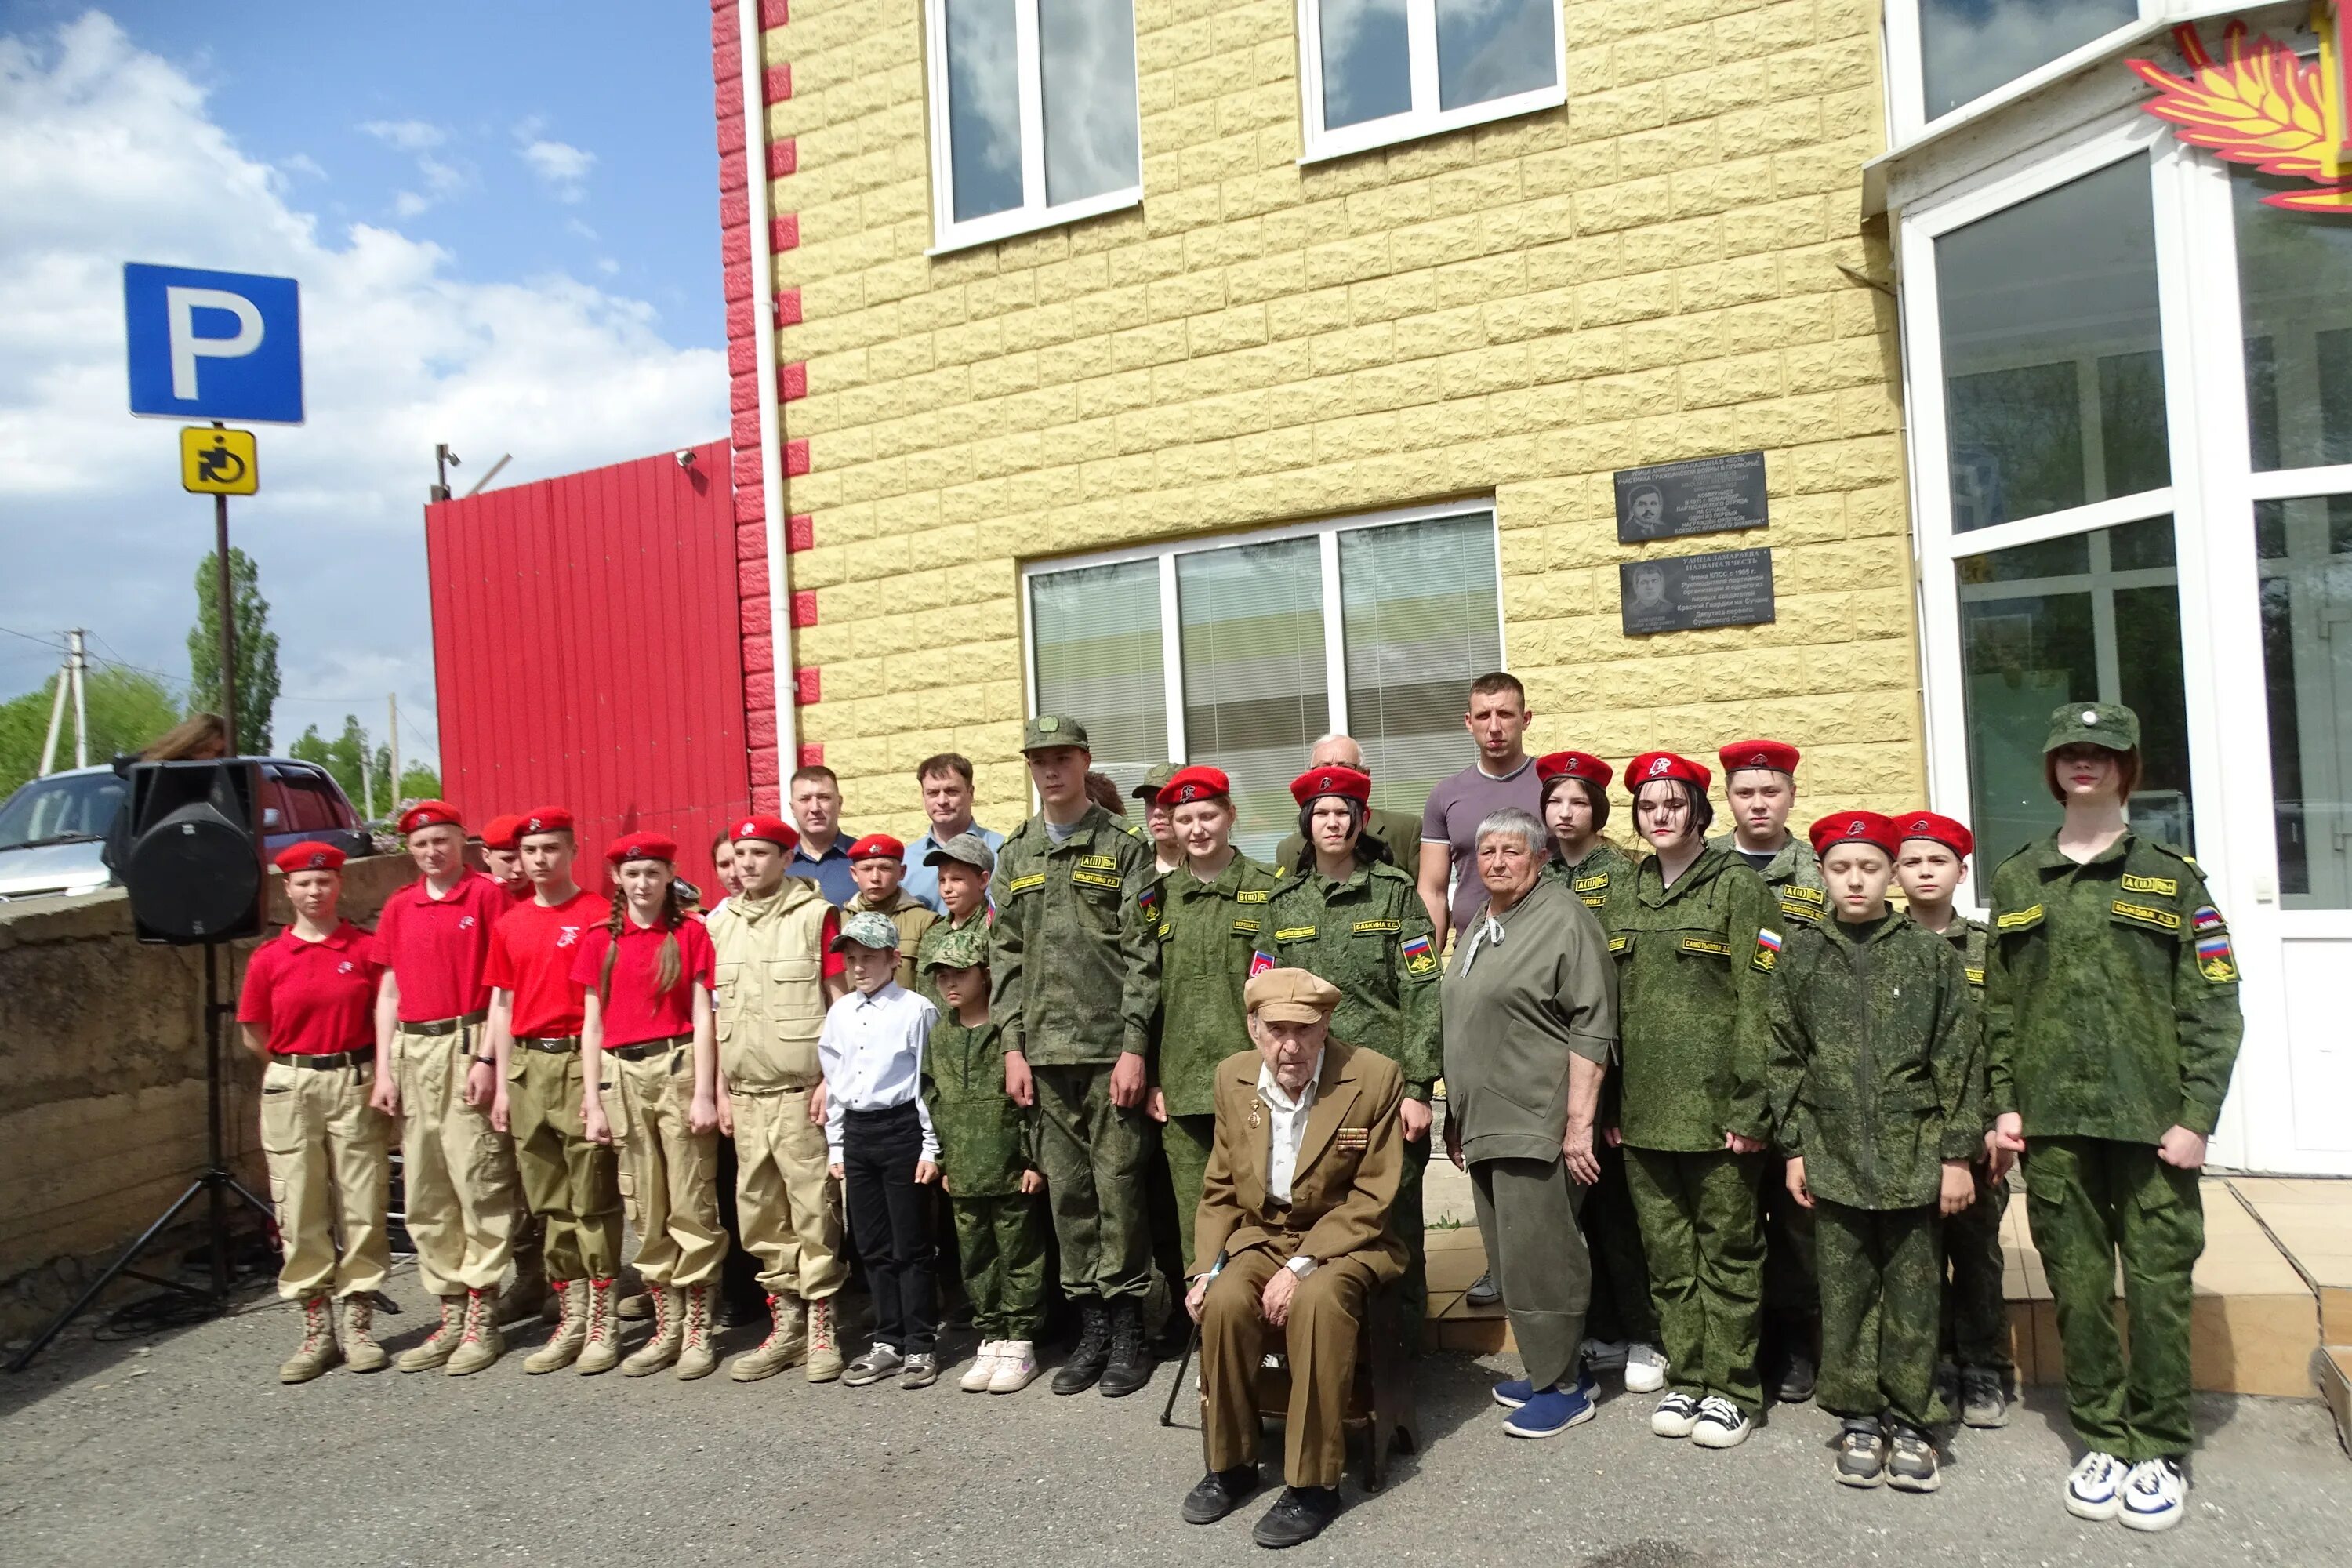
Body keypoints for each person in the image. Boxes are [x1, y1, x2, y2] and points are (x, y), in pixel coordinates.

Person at [1985, 703, 2243, 1534]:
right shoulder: (2021, 876)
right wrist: (2006, 1100)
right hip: (2056, 1123)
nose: (2084, 764)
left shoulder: (2173, 876)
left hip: (2152, 1123)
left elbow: (2213, 1001)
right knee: (2080, 1290)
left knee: (2161, 1289)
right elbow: (1999, 1007)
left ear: (2126, 767)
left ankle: (2160, 1445)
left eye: (2102, 753)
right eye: (2070, 752)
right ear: (2054, 769)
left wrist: (2197, 1113)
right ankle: (2101, 1435)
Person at [1766, 811, 1981, 1493]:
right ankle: (1859, 1414)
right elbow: (1784, 1057)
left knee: (1916, 1295)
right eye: (1840, 868)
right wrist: (1795, 1148)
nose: (1854, 881)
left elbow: (1960, 1060)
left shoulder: (1927, 955)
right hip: (1831, 1154)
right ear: (1821, 873)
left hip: (1913, 1156)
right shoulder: (1801, 954)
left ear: (1891, 873)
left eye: (1868, 867)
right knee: (1847, 1291)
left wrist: (1955, 1155)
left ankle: (1914, 1418)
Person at [1181, 968, 1408, 1550]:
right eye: (1276, 1030)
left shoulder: (1374, 1077)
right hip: (1262, 1234)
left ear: (1326, 1024)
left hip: (1348, 1239)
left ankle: (1313, 1483)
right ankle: (1230, 1464)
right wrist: (1205, 1271)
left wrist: (1300, 1266)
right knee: (1227, 1302)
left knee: (1317, 1302)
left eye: (1305, 1030)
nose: (1291, 1045)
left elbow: (1371, 1199)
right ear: (1253, 1029)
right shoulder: (1232, 1078)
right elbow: (1220, 1191)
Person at [1600, 751, 1775, 1449]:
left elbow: (1762, 1002)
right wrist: (1608, 1104)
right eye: (1647, 806)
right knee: (1667, 1257)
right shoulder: (1624, 889)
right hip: (1643, 1114)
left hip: (1717, 1113)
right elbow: (1606, 1010)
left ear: (1700, 810)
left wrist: (1751, 1105)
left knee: (1729, 1254)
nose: (1660, 815)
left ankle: (1734, 1388)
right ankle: (1689, 1377)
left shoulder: (1738, 887)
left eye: (1674, 803)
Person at [990, 714, 1162, 1397]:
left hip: (1106, 1051)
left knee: (1119, 1190)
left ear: (1085, 762)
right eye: (1039, 760)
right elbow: (1003, 956)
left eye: (1062, 758)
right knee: (1068, 1195)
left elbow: (1143, 955)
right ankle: (1089, 1326)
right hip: (1044, 1053)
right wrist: (1012, 1048)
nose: (1051, 770)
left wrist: (1134, 1048)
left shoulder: (1124, 844)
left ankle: (1129, 1332)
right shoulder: (1015, 853)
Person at [1441, 808, 1617, 1439]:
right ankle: (1550, 1367)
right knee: (1510, 1256)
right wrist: (1455, 1118)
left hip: (1534, 1120)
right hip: (1486, 1120)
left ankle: (1565, 1385)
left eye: (1511, 851)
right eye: (1486, 851)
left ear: (1540, 859)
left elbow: (1592, 1024)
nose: (1496, 861)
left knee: (1543, 1255)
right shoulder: (1483, 923)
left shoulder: (1562, 919)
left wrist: (1578, 1125)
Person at [1256, 764, 1441, 1347]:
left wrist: (1418, 1088)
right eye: (1322, 814)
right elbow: (1259, 994)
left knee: (1395, 1207)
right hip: (1303, 1083)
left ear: (1361, 822)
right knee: (1319, 1205)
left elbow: (1422, 988)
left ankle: (1403, 1342)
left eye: (1344, 813)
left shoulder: (1394, 892)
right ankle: (1334, 1336)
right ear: (1307, 824)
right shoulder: (1282, 901)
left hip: (1381, 1085)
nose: (1333, 822)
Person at [369, 800, 524, 1375]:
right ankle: (450, 1311)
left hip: (466, 1038)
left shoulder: (486, 896)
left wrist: (487, 1057)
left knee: (477, 1179)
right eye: (421, 843)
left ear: (462, 843)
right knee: (427, 1187)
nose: (432, 852)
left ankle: (484, 1315)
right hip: (414, 1047)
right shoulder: (399, 906)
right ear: (409, 850)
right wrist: (385, 1068)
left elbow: (501, 987)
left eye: (442, 840)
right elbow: (388, 989)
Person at [238, 842, 392, 1383]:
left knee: (362, 1202)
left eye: (324, 882)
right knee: (298, 1204)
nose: (315, 892)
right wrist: (297, 1067)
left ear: (338, 887)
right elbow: (255, 1032)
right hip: (293, 1082)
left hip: (354, 1077)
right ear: (288, 891)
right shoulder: (270, 959)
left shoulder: (365, 949)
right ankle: (315, 1328)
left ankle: (358, 1323)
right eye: (304, 883)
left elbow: (384, 1017)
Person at [705, 814, 851, 1383]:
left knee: (814, 1211)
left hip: (800, 1095)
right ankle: (785, 1324)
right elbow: (717, 1016)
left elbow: (840, 1006)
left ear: (786, 858)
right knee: (760, 1216)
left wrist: (830, 1082)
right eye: (740, 854)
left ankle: (821, 1327)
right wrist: (718, 1090)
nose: (747, 864)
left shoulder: (816, 916)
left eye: (760, 853)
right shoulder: (720, 926)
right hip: (745, 1096)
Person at [576, 833, 727, 1379]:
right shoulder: (599, 940)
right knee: (645, 1203)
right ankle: (666, 1326)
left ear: (669, 878)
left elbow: (704, 1013)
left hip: (679, 1068)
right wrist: (592, 1099)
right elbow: (591, 1024)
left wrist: (707, 1090)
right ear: (618, 879)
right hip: (622, 1073)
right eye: (632, 874)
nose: (642, 884)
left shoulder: (690, 934)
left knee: (691, 1199)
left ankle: (698, 1330)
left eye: (653, 874)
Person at [1537, 752, 1663, 1393]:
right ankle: (1601, 1327)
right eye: (1555, 802)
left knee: (1619, 1213)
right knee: (1574, 1215)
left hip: (1607, 1061)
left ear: (1598, 812)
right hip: (1549, 1066)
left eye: (1578, 802)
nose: (1565, 813)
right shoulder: (1535, 872)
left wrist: (1610, 1095)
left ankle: (1646, 1333)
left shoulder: (1624, 874)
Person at [483, 808, 626, 1374]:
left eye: (551, 849)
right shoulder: (509, 923)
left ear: (571, 850)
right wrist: (495, 1076)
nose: (540, 860)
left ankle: (603, 1321)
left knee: (591, 1195)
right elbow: (501, 1003)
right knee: (547, 1200)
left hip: (577, 1061)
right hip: (525, 1067)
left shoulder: (596, 916)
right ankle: (570, 1315)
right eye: (531, 851)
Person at [1711, 737, 1825, 1405]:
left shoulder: (1817, 871)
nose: (1758, 803)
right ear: (1728, 798)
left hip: (1803, 1063)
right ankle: (1741, 1342)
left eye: (1770, 791)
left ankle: (1794, 1338)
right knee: (1734, 1208)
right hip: (1727, 1064)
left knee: (1797, 1213)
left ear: (1790, 796)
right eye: (1746, 792)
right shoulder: (1707, 867)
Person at [1895, 809, 2012, 1429]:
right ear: (1895, 872)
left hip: (1979, 1135)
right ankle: (1934, 1359)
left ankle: (1983, 1364)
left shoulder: (1989, 950)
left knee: (1977, 1252)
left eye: (1936, 861)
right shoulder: (1880, 945)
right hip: (1905, 1135)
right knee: (1916, 1254)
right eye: (1911, 861)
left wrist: (2000, 1123)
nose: (1923, 871)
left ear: (1961, 872)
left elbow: (2005, 1041)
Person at [1147, 766, 1280, 1276]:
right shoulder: (1155, 900)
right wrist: (1153, 1078)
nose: (1197, 829)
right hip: (1179, 1085)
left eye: (1207, 815)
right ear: (1172, 826)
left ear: (1230, 816)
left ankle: (1263, 1327)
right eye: (1185, 819)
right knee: (1193, 1212)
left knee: (1262, 1204)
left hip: (1253, 1080)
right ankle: (1207, 1327)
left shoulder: (1270, 890)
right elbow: (1145, 991)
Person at [920, 925, 1047, 1394]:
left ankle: (1021, 1341)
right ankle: (991, 1334)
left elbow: (1031, 1102)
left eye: (960, 973)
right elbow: (931, 1100)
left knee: (1019, 1255)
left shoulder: (1007, 1033)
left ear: (986, 974)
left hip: (1010, 1169)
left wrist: (1034, 1161)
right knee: (975, 1256)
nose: (949, 983)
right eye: (941, 976)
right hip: (965, 1172)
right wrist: (945, 1161)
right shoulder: (939, 1036)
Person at [822, 911, 944, 1389]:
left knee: (910, 1242)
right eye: (851, 958)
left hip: (902, 1131)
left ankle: (920, 1342)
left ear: (895, 958)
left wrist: (930, 1148)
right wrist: (837, 1142)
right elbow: (834, 1082)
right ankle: (886, 1340)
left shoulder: (915, 1010)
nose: (859, 967)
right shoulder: (840, 1013)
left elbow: (926, 1082)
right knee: (871, 1243)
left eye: (869, 957)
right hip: (859, 1132)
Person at [1419, 672, 1543, 937]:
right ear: (1469, 722)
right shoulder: (1445, 794)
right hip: (1472, 947)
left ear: (1526, 719)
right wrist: (1425, 973)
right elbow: (1433, 893)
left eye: (1506, 714)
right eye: (1484, 716)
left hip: (1544, 944)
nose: (1494, 727)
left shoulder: (1554, 788)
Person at [1269, 735, 1423, 881]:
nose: (1334, 775)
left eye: (1346, 767)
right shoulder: (1289, 849)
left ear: (1365, 774)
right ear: (1310, 775)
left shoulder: (1405, 831)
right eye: (1324, 768)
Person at [902, 753, 1006, 915]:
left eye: (951, 791)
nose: (942, 801)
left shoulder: (1003, 851)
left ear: (971, 793)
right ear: (923, 796)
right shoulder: (906, 861)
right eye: (933, 793)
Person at [844, 833, 938, 991]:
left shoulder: (924, 922)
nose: (875, 877)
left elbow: (934, 985)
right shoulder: (840, 921)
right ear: (854, 873)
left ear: (902, 872)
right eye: (866, 869)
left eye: (885, 868)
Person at [912, 831, 994, 994]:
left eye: (957, 879)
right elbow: (925, 991)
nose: (946, 889)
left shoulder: (997, 929)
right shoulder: (934, 933)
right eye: (942, 880)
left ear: (983, 880)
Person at [787, 765, 857, 904]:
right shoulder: (778, 864)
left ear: (839, 803)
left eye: (824, 797)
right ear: (792, 808)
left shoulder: (863, 859)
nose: (814, 808)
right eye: (805, 799)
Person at [1131, 762, 1181, 876]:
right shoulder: (1133, 866)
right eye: (1151, 802)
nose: (1157, 812)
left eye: (1167, 802)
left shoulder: (1210, 864)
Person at [480, 815, 533, 902]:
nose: (519, 869)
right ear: (486, 856)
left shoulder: (551, 896)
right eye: (508, 860)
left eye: (525, 858)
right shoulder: (474, 898)